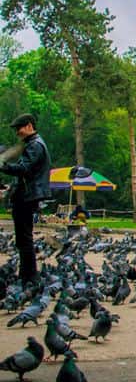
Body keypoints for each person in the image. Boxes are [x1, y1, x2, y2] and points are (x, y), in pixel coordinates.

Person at [0, 114, 52, 285]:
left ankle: (29, 276)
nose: (17, 132)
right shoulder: (32, 143)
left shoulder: (35, 145)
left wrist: (4, 167)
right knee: (23, 238)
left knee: (24, 237)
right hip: (26, 194)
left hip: (26, 196)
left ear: (29, 126)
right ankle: (26, 274)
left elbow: (24, 168)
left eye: (19, 128)